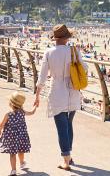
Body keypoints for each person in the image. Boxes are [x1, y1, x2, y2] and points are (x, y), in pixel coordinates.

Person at [34, 25, 87, 171]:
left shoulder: (49, 52)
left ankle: (66, 160)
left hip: (57, 92)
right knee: (69, 124)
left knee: (62, 127)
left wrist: (37, 95)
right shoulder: (74, 51)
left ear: (55, 38)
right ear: (67, 38)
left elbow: (42, 76)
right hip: (73, 90)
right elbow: (85, 68)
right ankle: (69, 156)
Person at [0, 92, 37, 176]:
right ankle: (22, 163)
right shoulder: (22, 112)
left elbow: (2, 123)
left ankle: (13, 170)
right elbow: (32, 113)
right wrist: (35, 106)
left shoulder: (8, 114)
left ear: (11, 103)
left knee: (12, 153)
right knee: (21, 150)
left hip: (11, 137)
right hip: (22, 136)